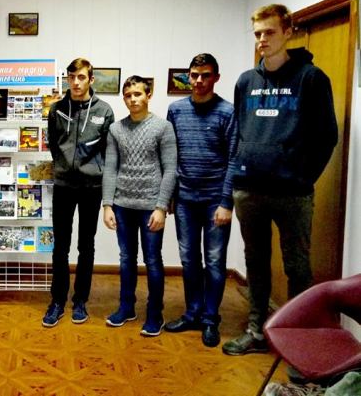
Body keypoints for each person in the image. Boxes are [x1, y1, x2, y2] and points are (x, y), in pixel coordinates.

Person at [223, 4, 338, 355]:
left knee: (297, 268)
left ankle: (300, 343)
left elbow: (327, 136)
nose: (262, 39)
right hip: (249, 190)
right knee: (256, 264)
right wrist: (239, 173)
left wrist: (301, 176)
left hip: (293, 193)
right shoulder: (246, 81)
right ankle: (256, 331)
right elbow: (240, 132)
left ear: (288, 32)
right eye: (257, 33)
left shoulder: (311, 78)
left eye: (269, 32)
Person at [165, 54, 237, 347]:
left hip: (215, 200)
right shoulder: (176, 110)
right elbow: (170, 156)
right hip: (185, 199)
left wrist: (226, 202)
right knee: (189, 259)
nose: (198, 81)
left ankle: (210, 319)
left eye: (205, 75)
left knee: (215, 261)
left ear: (216, 78)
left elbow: (233, 158)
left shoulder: (227, 112)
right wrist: (171, 195)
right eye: (194, 75)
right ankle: (192, 313)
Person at [102, 75, 177, 336]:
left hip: (150, 207)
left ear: (148, 95)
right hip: (122, 205)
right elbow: (110, 168)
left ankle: (155, 314)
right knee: (126, 259)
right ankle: (126, 308)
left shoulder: (163, 127)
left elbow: (170, 169)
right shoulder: (116, 129)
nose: (132, 99)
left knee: (153, 260)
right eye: (128, 95)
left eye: (137, 94)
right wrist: (107, 205)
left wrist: (161, 207)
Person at [43, 58, 114, 327]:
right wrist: (64, 166)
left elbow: (107, 152)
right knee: (60, 246)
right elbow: (53, 144)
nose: (75, 82)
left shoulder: (104, 111)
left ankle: (80, 300)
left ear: (91, 79)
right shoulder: (57, 109)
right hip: (63, 186)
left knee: (86, 245)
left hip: (91, 188)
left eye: (81, 77)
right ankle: (57, 300)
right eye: (71, 77)